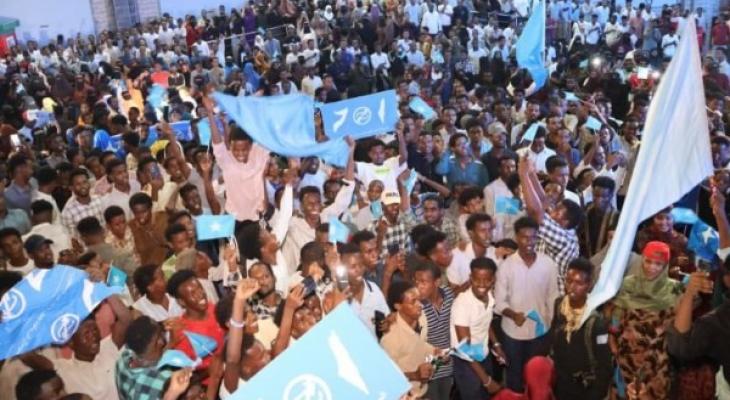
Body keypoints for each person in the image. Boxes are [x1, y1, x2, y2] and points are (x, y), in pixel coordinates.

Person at [610, 241, 683, 399]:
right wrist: (612, 340)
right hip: (626, 356)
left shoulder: (674, 289)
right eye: (648, 261)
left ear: (665, 266)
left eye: (658, 264)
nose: (651, 267)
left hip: (656, 360)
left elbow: (679, 323)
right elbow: (617, 315)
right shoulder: (629, 283)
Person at [495, 217, 559, 392]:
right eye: (524, 237)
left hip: (540, 331)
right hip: (513, 334)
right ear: (516, 237)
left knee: (536, 376)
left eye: (533, 237)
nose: (529, 242)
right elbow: (499, 302)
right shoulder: (506, 266)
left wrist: (553, 326)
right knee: (514, 375)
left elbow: (553, 297)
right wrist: (513, 314)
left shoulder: (548, 264)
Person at [550, 258, 612, 399]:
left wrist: (596, 394)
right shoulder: (559, 305)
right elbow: (552, 337)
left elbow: (604, 365)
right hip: (561, 383)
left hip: (585, 388)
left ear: (589, 286)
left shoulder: (596, 321)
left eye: (579, 283)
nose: (572, 287)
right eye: (569, 281)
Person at [52, 295, 131, 399]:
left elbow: (125, 319)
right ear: (71, 342)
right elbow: (32, 358)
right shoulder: (63, 368)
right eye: (86, 334)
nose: (94, 336)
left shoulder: (107, 348)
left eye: (95, 330)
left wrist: (106, 291)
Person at [450, 257, 504, 398]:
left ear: (493, 280)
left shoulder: (489, 295)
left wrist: (496, 344)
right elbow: (464, 349)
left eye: (487, 280)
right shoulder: (462, 305)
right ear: (470, 278)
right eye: (477, 280)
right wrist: (486, 380)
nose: (481, 284)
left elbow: (485, 322)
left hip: (482, 354)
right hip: (466, 362)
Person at [381, 280, 439, 398]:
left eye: (419, 300)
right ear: (398, 306)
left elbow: (419, 343)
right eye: (413, 302)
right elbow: (386, 377)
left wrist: (435, 351)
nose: (420, 305)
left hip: (422, 390)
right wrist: (414, 375)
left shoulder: (421, 318)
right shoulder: (390, 338)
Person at [115, 316, 194, 400]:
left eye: (160, 334)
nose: (162, 342)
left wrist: (171, 341)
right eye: (156, 342)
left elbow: (151, 360)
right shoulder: (162, 380)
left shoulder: (124, 358)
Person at [413, 261, 455, 400]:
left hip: (447, 365)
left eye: (423, 282)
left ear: (437, 282)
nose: (418, 286)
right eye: (416, 281)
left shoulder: (448, 295)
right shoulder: (416, 306)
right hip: (427, 369)